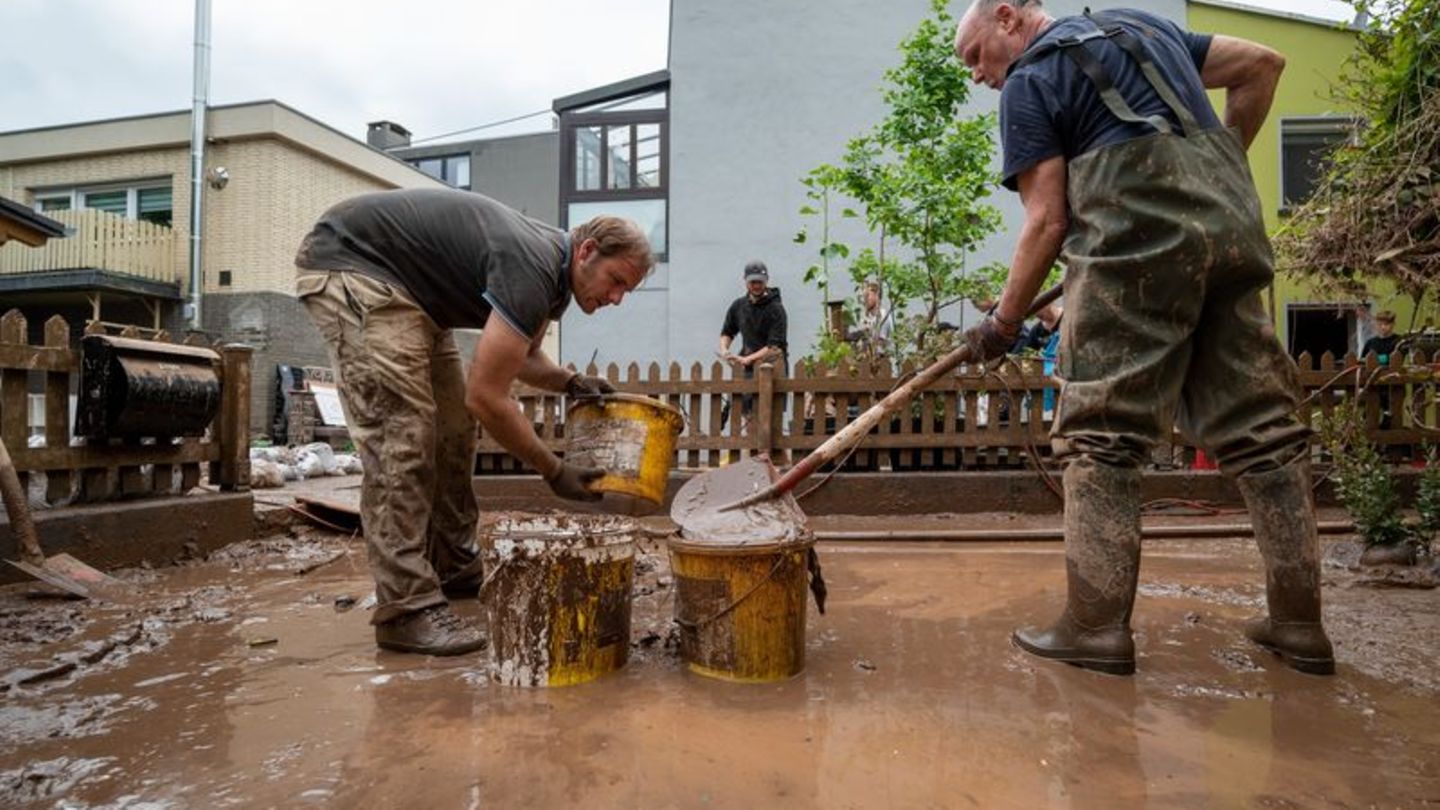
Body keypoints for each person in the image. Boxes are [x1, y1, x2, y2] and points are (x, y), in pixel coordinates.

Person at [955, 1, 1334, 675]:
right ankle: (1299, 625)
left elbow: (1046, 220)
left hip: (1135, 253)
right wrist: (1214, 169)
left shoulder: (1032, 79)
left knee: (1103, 434)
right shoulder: (1144, 27)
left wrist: (1002, 324)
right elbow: (1261, 65)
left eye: (975, 56)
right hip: (1228, 233)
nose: (978, 75)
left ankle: (1095, 627)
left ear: (1007, 17)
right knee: (1265, 430)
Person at [295, 188, 652, 656]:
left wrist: (569, 382)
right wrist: (553, 469)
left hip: (415, 297)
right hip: (357, 267)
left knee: (454, 430)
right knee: (402, 437)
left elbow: (523, 359)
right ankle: (405, 609)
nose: (617, 298)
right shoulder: (533, 267)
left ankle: (454, 565)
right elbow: (487, 396)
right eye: (616, 280)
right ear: (587, 252)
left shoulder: (554, 277)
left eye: (626, 290)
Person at [719, 260, 788, 431]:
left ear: (767, 281)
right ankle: (754, 455)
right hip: (747, 368)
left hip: (772, 364)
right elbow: (727, 332)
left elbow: (774, 345)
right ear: (745, 281)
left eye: (760, 281)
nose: (756, 285)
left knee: (770, 418)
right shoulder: (738, 306)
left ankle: (772, 456)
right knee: (748, 416)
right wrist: (725, 350)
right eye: (752, 281)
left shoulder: (776, 309)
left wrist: (748, 359)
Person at [848, 278, 892, 358]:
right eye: (864, 296)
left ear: (876, 296)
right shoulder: (868, 317)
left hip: (881, 360)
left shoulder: (882, 317)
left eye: (868, 296)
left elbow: (880, 344)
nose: (865, 299)